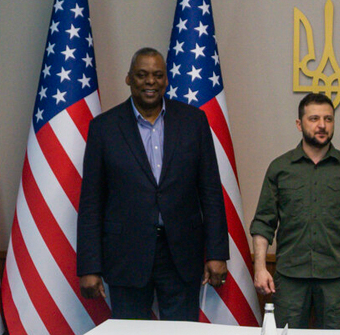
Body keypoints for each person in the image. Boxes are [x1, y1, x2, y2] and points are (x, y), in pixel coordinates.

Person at [76, 47, 229, 320]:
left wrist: (217, 253)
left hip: (181, 254)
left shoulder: (193, 122)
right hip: (126, 255)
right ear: (129, 78)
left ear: (166, 80)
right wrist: (89, 266)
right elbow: (91, 202)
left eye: (158, 75)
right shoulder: (104, 128)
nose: (150, 81)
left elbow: (211, 192)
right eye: (142, 75)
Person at [250, 93, 340, 329]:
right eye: (314, 119)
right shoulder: (280, 168)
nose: (322, 125)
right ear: (299, 124)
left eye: (328, 119)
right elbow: (263, 223)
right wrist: (260, 268)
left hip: (336, 278)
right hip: (290, 278)